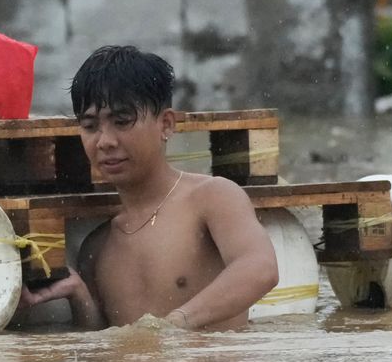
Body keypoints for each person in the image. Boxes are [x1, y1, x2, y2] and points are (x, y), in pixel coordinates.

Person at [20, 46, 278, 331]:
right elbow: (102, 339)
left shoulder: (212, 198)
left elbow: (260, 269)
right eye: (90, 126)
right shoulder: (98, 246)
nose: (105, 141)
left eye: (122, 121)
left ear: (166, 124)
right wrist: (79, 293)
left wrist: (171, 327)